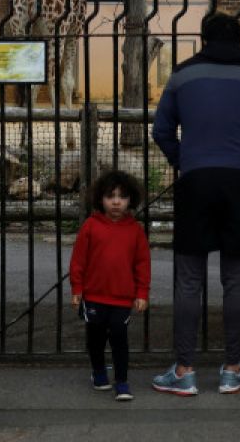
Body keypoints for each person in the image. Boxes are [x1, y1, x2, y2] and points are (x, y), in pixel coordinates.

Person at [150, 12, 240, 396]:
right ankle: (231, 368)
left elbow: (161, 130)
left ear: (204, 38)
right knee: (236, 281)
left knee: (189, 280)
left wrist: (184, 159)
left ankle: (185, 369)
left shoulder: (181, 77)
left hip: (195, 181)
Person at [69, 170, 151, 402]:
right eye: (110, 196)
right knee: (95, 338)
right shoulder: (90, 226)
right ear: (100, 199)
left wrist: (142, 293)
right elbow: (78, 261)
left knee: (119, 338)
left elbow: (142, 264)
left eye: (122, 197)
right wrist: (77, 289)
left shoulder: (135, 230)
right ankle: (98, 371)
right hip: (93, 297)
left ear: (130, 200)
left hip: (122, 299)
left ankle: (122, 382)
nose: (116, 201)